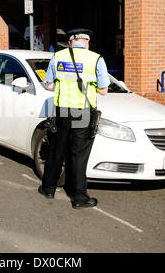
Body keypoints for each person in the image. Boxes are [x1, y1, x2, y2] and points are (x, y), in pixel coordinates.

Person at [38, 28, 110, 209]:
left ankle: (48, 188)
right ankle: (79, 197)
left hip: (62, 110)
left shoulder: (58, 56)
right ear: (86, 42)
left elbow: (48, 85)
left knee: (57, 149)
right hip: (83, 112)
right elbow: (103, 90)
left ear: (70, 42)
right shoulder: (96, 59)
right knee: (79, 154)